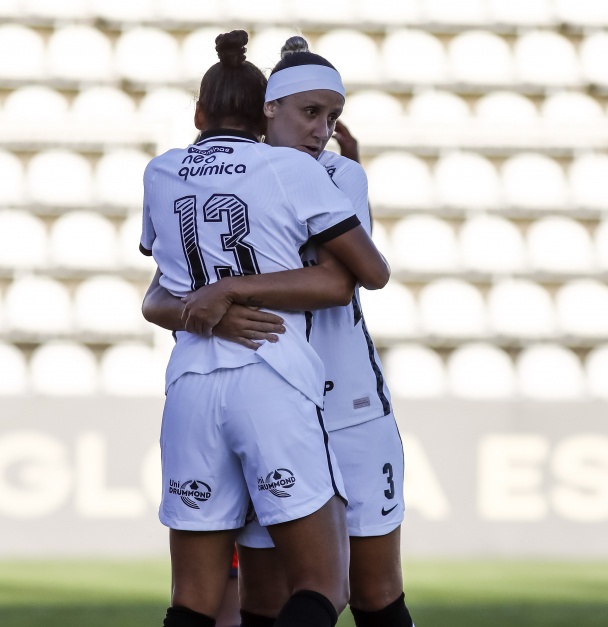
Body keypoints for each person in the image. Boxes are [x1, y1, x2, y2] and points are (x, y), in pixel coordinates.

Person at [143, 36, 415, 627]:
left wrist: (227, 292)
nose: (323, 129)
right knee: (263, 599)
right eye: (310, 113)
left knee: (373, 589)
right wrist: (208, 310)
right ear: (267, 108)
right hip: (275, 395)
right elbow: (157, 296)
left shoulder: (342, 175)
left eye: (333, 116)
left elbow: (348, 281)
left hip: (349, 406)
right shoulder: (251, 175)